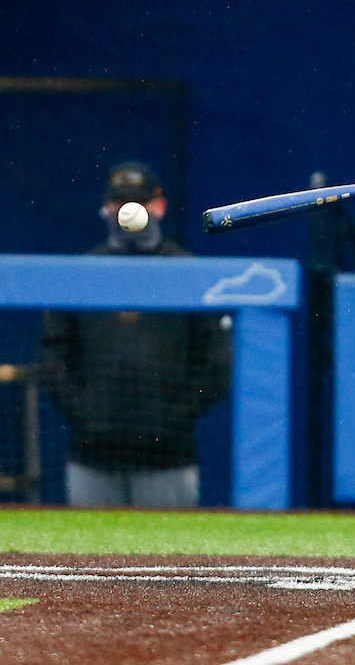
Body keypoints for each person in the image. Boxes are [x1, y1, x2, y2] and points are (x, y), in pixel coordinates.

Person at [41, 161, 232, 507]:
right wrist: (88, 415)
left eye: (139, 201)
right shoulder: (78, 274)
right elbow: (54, 358)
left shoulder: (189, 273)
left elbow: (218, 365)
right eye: (118, 201)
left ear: (159, 206)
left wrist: (173, 418)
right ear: (106, 207)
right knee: (88, 558)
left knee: (171, 559)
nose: (127, 210)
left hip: (169, 458)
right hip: (92, 457)